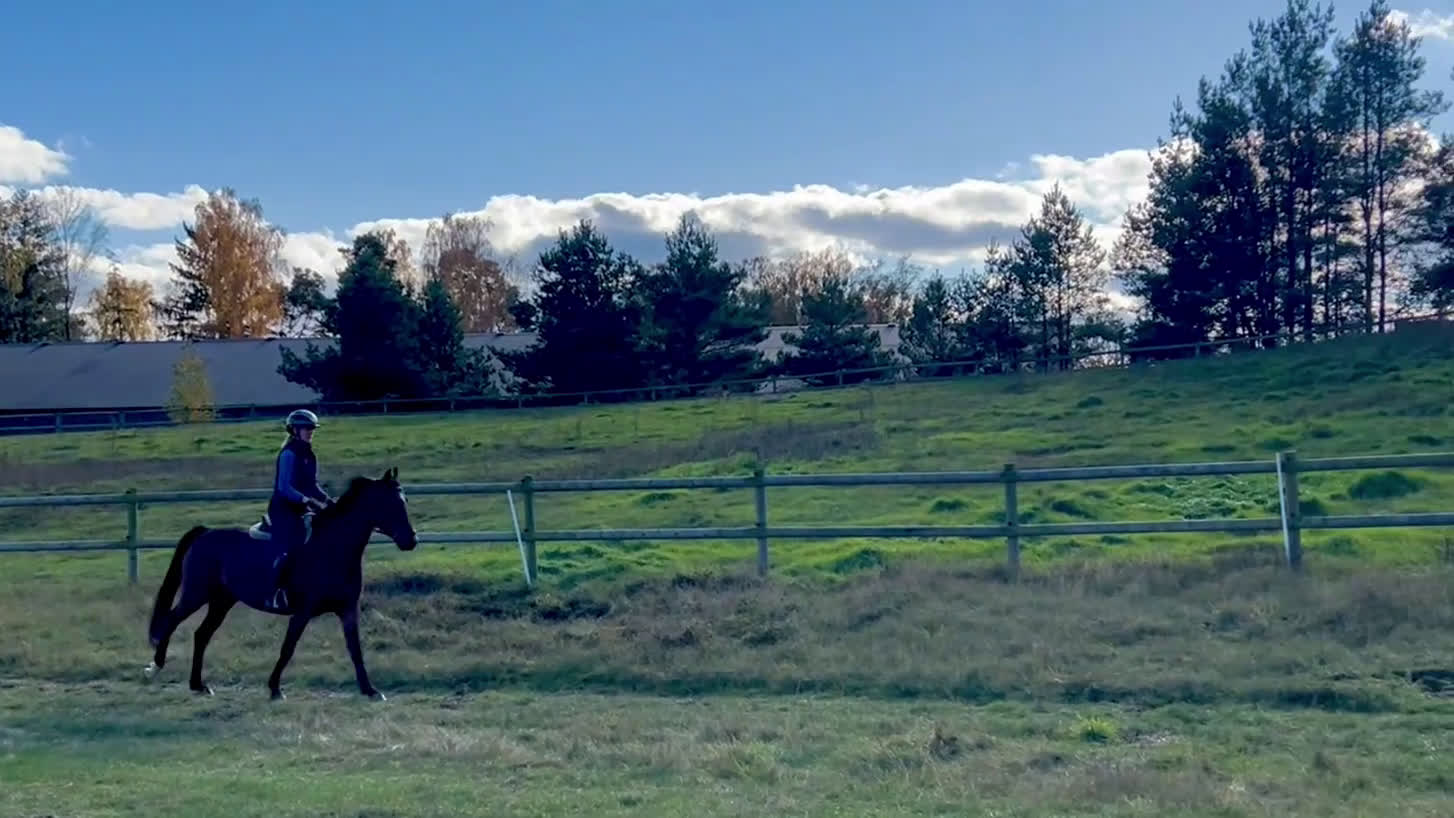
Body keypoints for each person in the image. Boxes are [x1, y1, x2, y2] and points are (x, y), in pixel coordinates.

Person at [268, 409, 332, 608]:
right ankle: (276, 592)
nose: (310, 431)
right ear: (294, 430)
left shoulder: (309, 454)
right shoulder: (288, 453)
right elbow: (284, 487)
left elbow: (313, 484)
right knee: (292, 546)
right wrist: (306, 500)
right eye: (306, 428)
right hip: (284, 509)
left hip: (303, 508)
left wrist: (329, 502)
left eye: (312, 428)